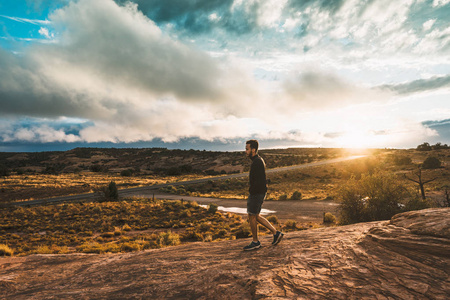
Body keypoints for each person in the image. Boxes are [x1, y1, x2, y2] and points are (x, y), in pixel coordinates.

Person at [243, 139, 284, 251]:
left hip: (257, 193)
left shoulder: (257, 162)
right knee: (255, 216)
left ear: (253, 149)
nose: (245, 151)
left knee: (251, 216)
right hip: (258, 192)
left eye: (247, 149)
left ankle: (256, 242)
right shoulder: (257, 160)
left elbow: (259, 181)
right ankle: (276, 233)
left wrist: (252, 191)